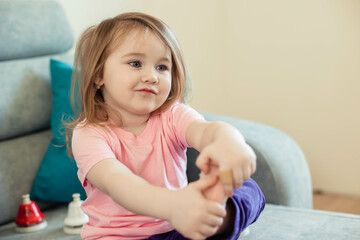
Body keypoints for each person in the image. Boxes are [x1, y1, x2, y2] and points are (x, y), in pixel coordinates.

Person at [67, 12, 265, 240]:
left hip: (177, 229)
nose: (152, 77)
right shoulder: (89, 133)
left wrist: (229, 141)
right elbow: (118, 183)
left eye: (162, 67)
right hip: (120, 237)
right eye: (135, 63)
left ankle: (218, 217)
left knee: (248, 188)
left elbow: (205, 131)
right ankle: (218, 224)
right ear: (98, 74)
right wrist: (173, 205)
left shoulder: (171, 116)